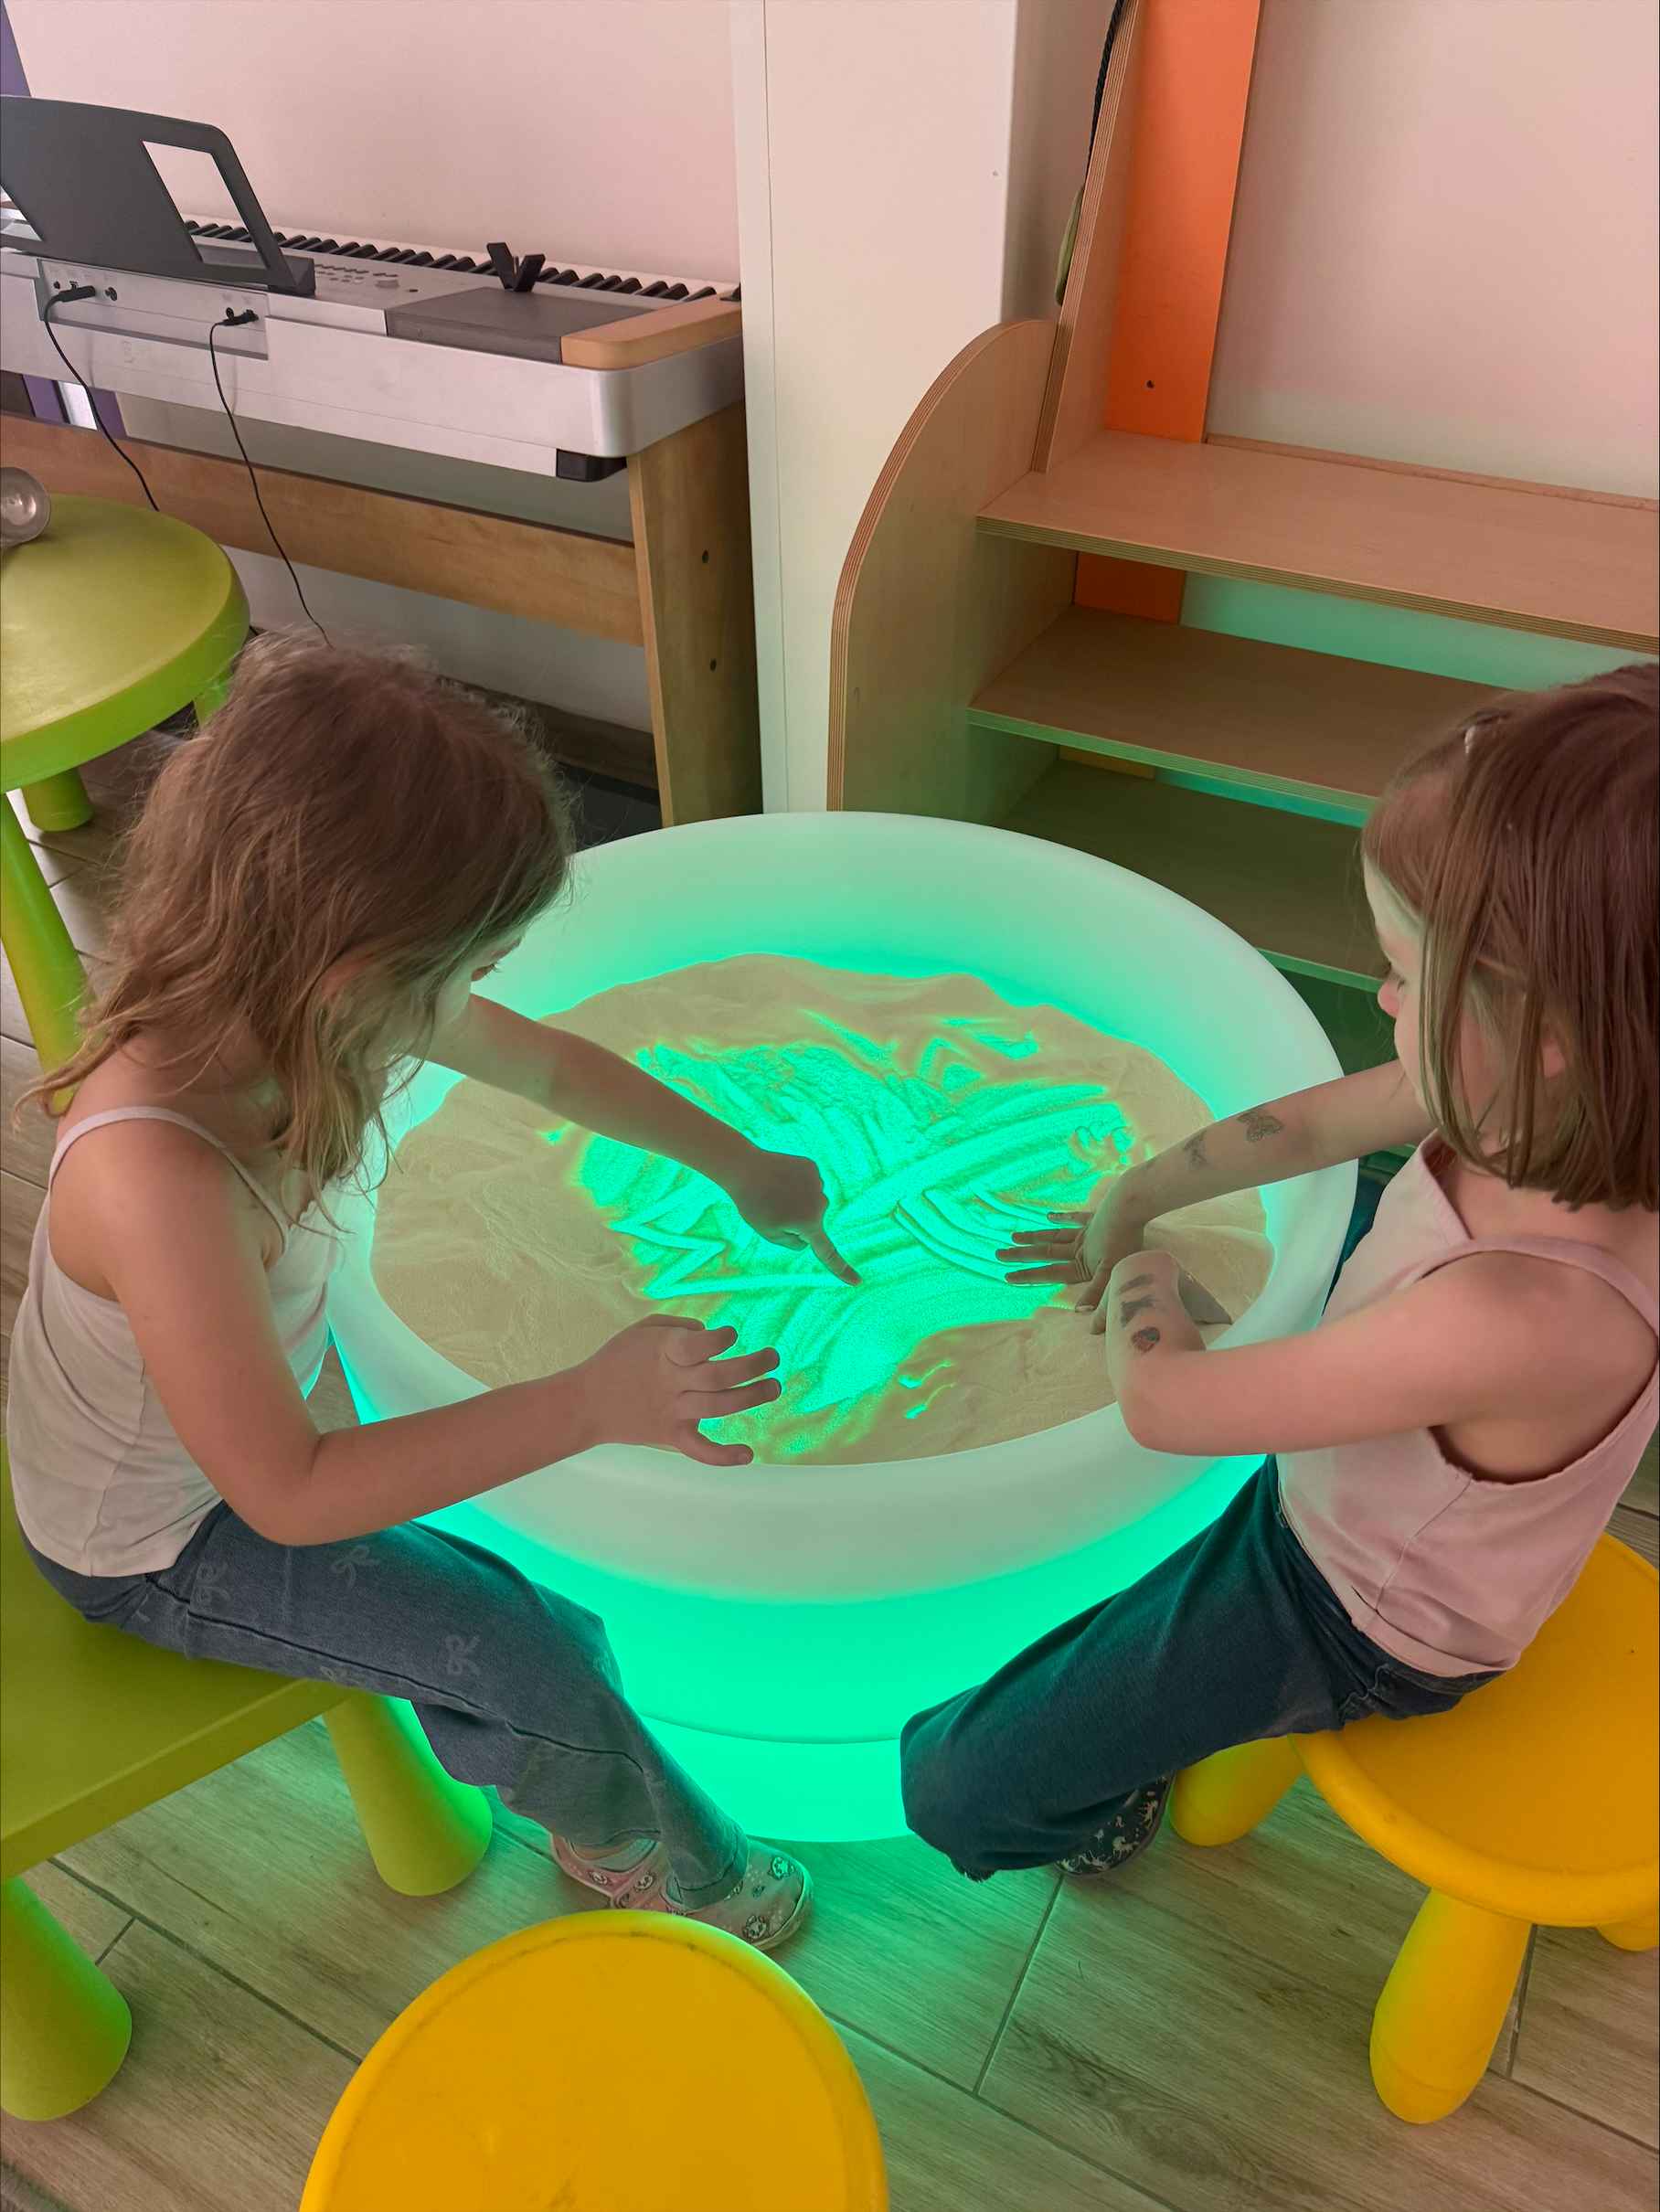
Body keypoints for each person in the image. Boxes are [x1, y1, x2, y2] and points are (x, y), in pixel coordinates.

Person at [6, 634, 857, 1950]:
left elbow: (559, 1071)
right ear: (361, 979)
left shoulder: (300, 994)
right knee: (538, 1651)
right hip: (154, 1549)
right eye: (471, 966)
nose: (476, 995)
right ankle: (660, 1860)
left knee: (532, 1607)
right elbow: (287, 1494)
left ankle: (596, 1796)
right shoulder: (157, 1181)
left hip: (236, 1444)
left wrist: (740, 1164)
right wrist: (595, 1401)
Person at [901, 663, 1658, 1880]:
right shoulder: (1536, 1100)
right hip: (1370, 1490)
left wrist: (1140, 1274)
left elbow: (1167, 1405)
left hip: (1356, 1611)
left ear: (1546, 1035)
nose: (1381, 994)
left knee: (955, 1779)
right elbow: (1307, 1124)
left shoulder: (1523, 1313)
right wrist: (1132, 1194)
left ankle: (1099, 1818)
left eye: (1407, 973)